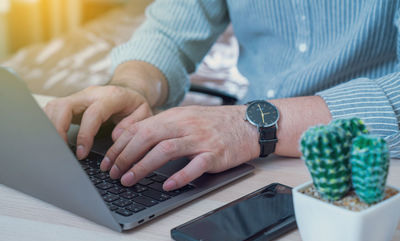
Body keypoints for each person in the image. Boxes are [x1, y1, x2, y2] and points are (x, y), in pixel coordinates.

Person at [44, 0, 400, 192]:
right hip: (254, 164)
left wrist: (248, 126)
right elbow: (170, 32)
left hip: (374, 161)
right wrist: (132, 86)